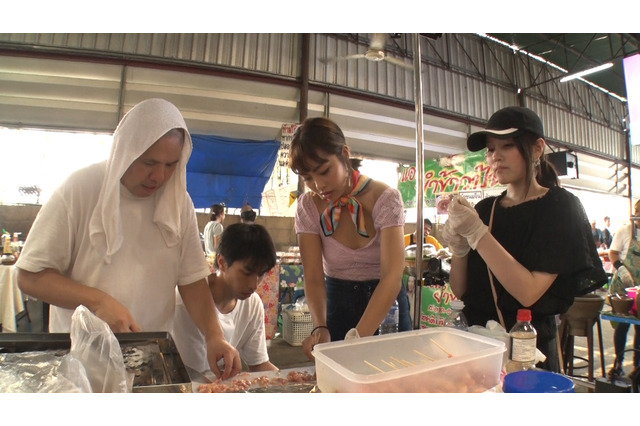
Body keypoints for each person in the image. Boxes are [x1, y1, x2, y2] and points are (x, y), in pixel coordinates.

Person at [15, 98, 241, 379]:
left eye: (171, 165)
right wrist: (97, 301)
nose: (158, 176)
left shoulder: (177, 202)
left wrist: (214, 335)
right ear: (125, 150)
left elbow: (192, 280)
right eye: (149, 162)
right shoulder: (81, 189)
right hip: (80, 362)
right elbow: (30, 276)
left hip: (148, 360)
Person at [441, 106, 607, 372]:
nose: (496, 157)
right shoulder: (485, 210)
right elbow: (461, 290)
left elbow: (528, 292)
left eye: (507, 145)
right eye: (491, 149)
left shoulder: (560, 207)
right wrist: (459, 247)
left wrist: (477, 233)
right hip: (478, 350)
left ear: (537, 148)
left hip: (528, 353)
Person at [289, 117, 411, 360]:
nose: (319, 185)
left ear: (345, 154)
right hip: (337, 307)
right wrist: (320, 326)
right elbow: (313, 278)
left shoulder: (384, 198)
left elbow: (391, 277)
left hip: (388, 309)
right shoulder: (308, 206)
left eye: (324, 171)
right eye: (308, 179)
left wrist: (357, 338)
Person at [172, 222, 278, 373]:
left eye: (261, 274)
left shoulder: (252, 304)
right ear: (222, 263)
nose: (254, 285)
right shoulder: (183, 304)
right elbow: (193, 377)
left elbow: (259, 364)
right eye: (247, 273)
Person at [606, 200, 640, 379]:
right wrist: (621, 268)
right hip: (624, 287)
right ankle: (618, 364)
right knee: (622, 325)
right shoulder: (625, 231)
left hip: (639, 290)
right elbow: (613, 252)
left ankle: (637, 366)